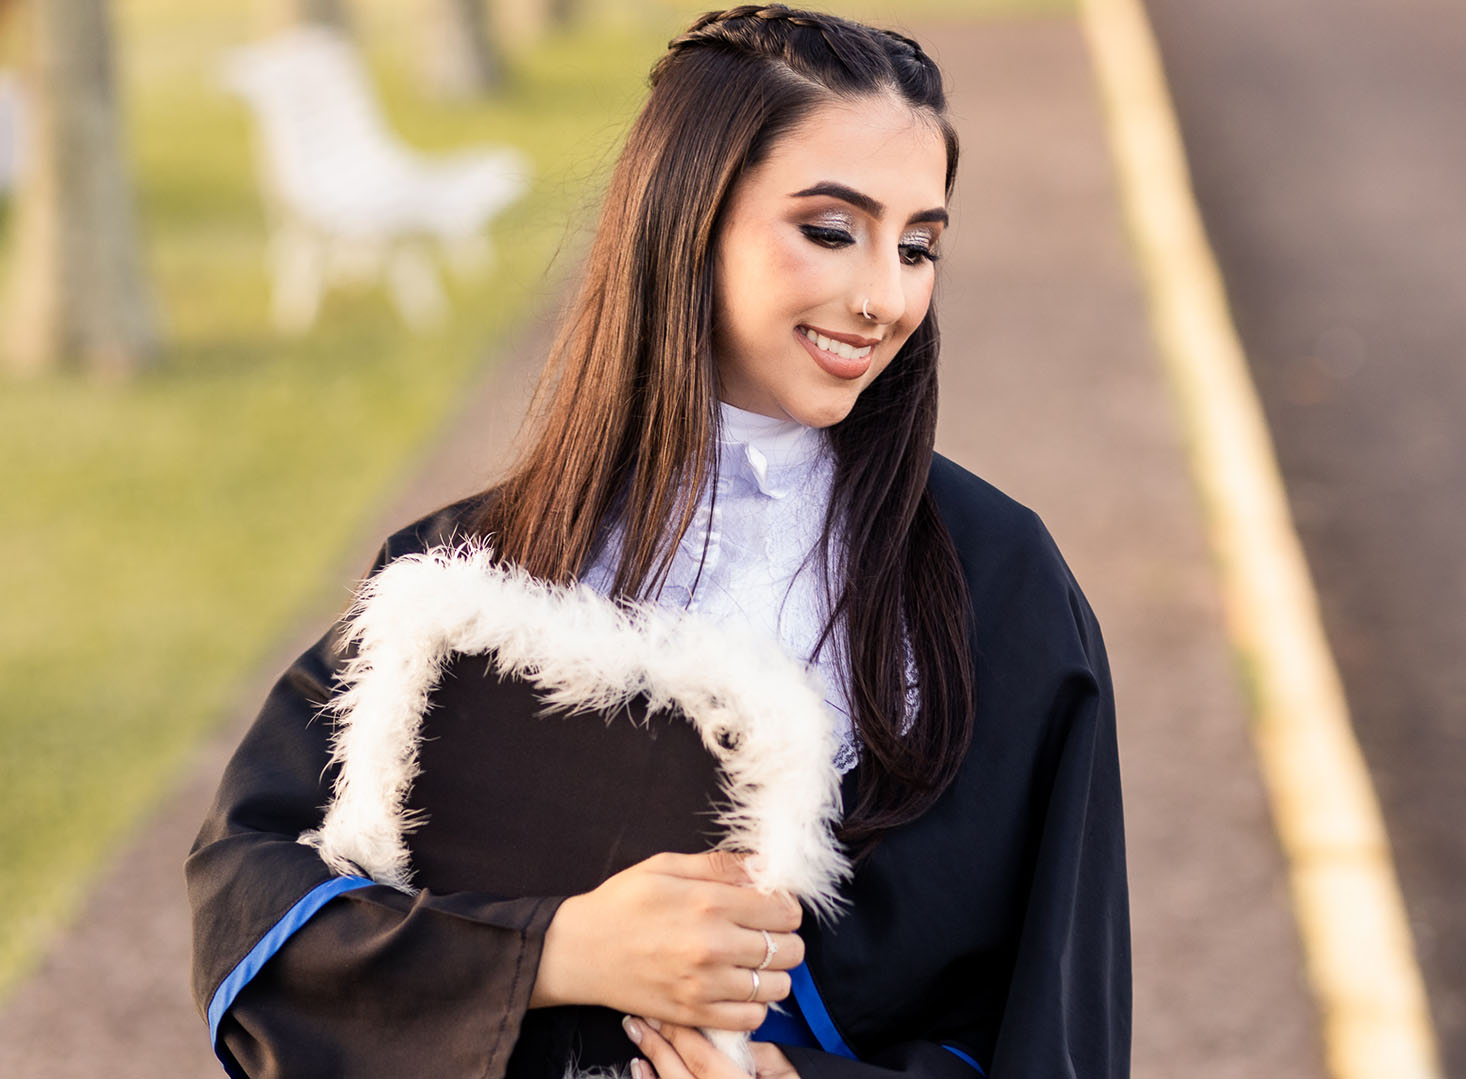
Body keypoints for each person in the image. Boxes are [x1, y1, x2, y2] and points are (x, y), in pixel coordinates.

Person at [185, 5, 1130, 1078]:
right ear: (688, 219)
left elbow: (1055, 1024)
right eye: (830, 229)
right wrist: (556, 951)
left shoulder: (995, 587)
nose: (883, 296)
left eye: (918, 245)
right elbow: (250, 896)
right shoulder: (460, 577)